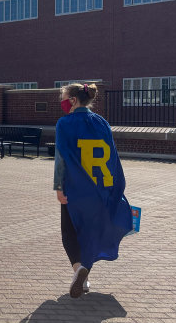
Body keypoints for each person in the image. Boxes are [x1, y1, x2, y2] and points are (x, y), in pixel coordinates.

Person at [54, 83, 133, 298]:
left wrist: (59, 187)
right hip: (101, 190)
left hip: (76, 190)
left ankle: (79, 269)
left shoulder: (64, 123)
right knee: (89, 234)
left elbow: (61, 158)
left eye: (63, 97)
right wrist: (117, 188)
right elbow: (113, 158)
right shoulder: (102, 123)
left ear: (72, 100)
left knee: (69, 233)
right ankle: (85, 279)